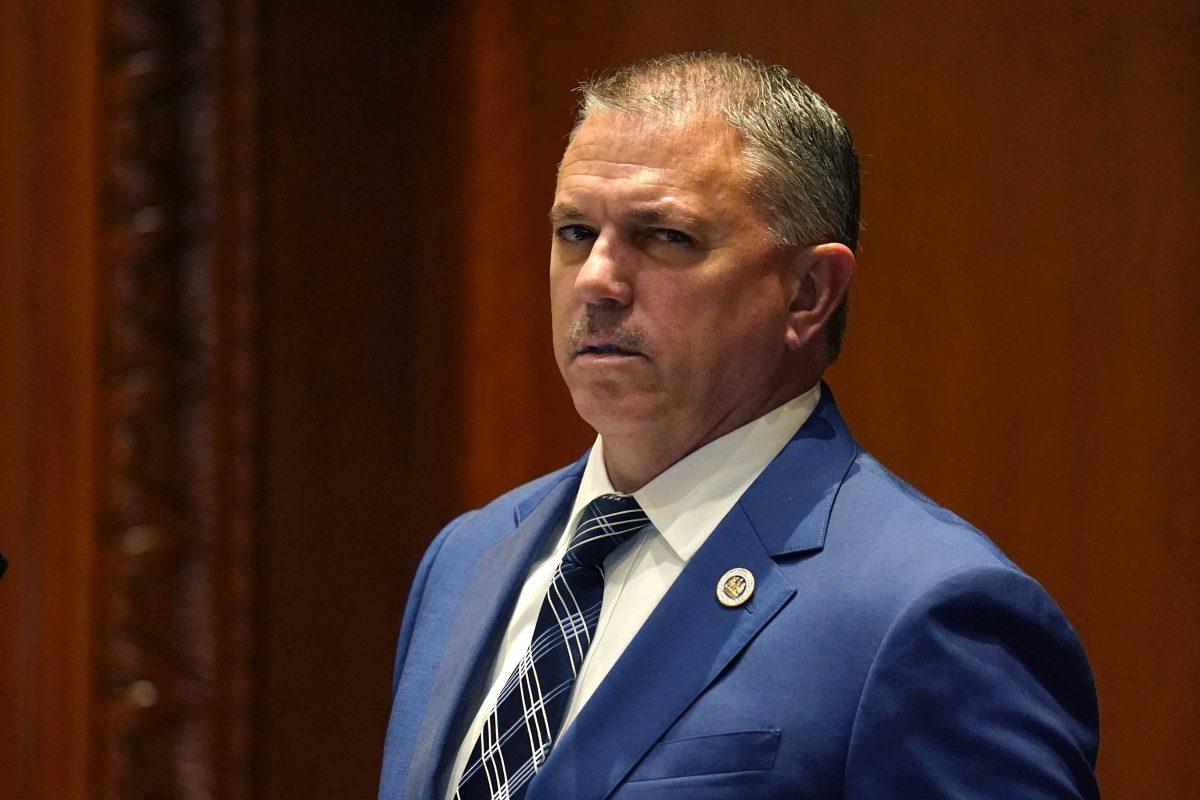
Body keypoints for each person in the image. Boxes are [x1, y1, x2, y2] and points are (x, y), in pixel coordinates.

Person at [378, 52, 1100, 800]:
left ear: (808, 294)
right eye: (574, 231)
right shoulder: (467, 560)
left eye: (665, 237)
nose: (596, 278)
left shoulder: (927, 614)